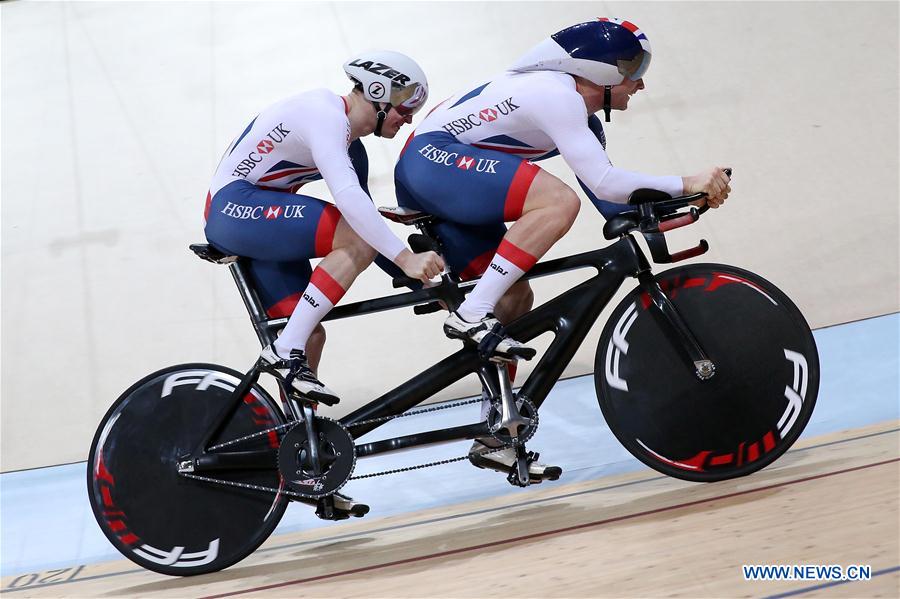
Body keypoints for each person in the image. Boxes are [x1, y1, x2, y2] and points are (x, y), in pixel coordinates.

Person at [393, 18, 731, 482]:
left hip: (445, 171)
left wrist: (684, 206)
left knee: (513, 300)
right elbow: (603, 183)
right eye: (632, 67)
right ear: (599, 69)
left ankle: (497, 435)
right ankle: (470, 313)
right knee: (556, 202)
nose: (640, 81)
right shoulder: (557, 94)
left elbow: (613, 201)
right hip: (432, 161)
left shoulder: (583, 119)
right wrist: (685, 180)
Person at [204, 51, 443, 516]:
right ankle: (284, 351)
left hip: (260, 214)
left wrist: (415, 277)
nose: (409, 116)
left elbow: (369, 230)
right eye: (405, 106)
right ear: (377, 94)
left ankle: (309, 471)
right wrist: (408, 259)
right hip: (235, 210)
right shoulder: (323, 114)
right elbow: (354, 210)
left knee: (310, 330)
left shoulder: (353, 144)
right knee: (302, 327)